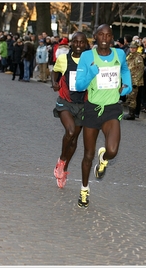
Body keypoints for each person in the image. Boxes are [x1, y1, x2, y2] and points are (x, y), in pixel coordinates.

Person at [75, 24, 132, 208]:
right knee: (88, 155)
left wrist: (127, 84)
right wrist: (91, 73)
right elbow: (79, 85)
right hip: (92, 108)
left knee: (113, 150)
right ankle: (84, 189)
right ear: (95, 37)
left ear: (112, 37)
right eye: (101, 35)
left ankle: (104, 158)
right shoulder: (87, 56)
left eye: (108, 35)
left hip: (112, 109)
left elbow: (124, 70)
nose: (105, 38)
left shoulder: (120, 54)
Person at [51, 32, 89, 189]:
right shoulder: (63, 59)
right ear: (71, 43)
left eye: (82, 42)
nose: (79, 45)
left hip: (83, 104)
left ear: (86, 44)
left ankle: (64, 168)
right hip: (65, 102)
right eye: (76, 42)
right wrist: (54, 82)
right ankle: (61, 160)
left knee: (74, 139)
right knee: (71, 131)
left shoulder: (90, 61)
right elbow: (55, 72)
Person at [123, 41, 144, 120]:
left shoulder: (138, 57)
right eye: (131, 48)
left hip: (134, 80)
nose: (132, 49)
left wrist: (136, 81)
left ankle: (132, 113)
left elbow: (140, 70)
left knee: (132, 97)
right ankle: (130, 112)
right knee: (128, 96)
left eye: (134, 48)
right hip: (128, 79)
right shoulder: (129, 56)